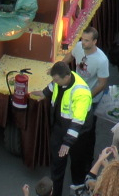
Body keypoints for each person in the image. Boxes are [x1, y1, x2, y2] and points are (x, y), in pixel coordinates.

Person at [43, 61, 94, 196]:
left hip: (78, 134)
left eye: (56, 79)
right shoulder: (61, 80)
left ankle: (78, 189)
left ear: (66, 77)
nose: (54, 82)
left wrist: (67, 142)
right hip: (60, 128)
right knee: (57, 164)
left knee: (77, 164)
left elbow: (78, 121)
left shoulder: (80, 92)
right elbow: (53, 86)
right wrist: (44, 93)